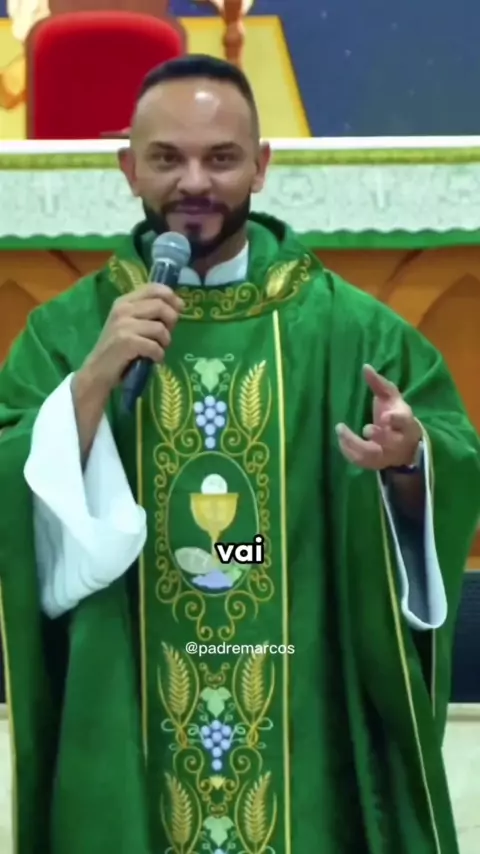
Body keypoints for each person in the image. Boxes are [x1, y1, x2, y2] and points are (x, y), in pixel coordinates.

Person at [0, 54, 479, 854]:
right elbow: (11, 481)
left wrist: (408, 464)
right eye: (167, 158)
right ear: (128, 168)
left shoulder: (348, 331)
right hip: (128, 713)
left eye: (221, 158)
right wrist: (88, 387)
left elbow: (451, 452)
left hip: (302, 715)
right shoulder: (69, 333)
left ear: (261, 166)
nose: (195, 182)